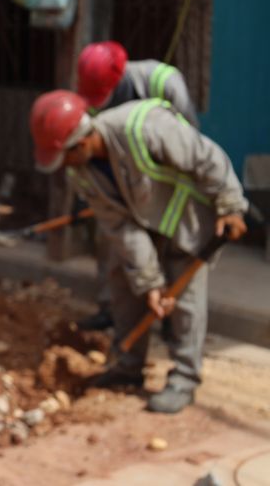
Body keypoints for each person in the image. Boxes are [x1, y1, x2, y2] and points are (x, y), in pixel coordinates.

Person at [29, 90, 247, 414]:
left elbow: (207, 157)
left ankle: (185, 379)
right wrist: (150, 284)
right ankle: (128, 368)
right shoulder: (82, 173)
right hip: (144, 225)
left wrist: (231, 205)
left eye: (65, 157)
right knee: (124, 280)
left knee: (185, 301)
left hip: (188, 218)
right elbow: (121, 229)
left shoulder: (143, 127)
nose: (64, 167)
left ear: (82, 143)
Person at [75, 40, 200, 331]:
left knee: (172, 253)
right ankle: (111, 310)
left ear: (119, 78)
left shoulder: (164, 82)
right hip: (122, 186)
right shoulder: (91, 92)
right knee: (115, 246)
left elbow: (190, 143)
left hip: (165, 187)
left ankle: (170, 322)